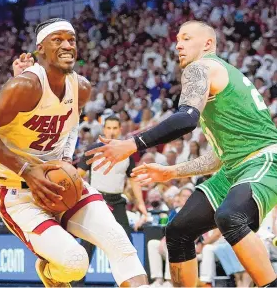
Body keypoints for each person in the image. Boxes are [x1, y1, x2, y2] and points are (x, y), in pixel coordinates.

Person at [86, 20, 277, 287]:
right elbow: (219, 157)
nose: (178, 44)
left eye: (186, 38)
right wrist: (172, 171)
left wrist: (132, 144)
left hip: (264, 159)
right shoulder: (222, 76)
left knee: (230, 216)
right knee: (178, 231)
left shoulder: (201, 67)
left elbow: (185, 119)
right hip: (235, 167)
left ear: (208, 44)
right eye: (177, 39)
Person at [0, 18, 149, 288]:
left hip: (60, 182)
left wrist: (64, 161)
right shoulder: (25, 86)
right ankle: (51, 273)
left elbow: (70, 128)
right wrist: (27, 169)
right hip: (21, 194)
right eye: (58, 40)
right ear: (40, 49)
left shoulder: (82, 88)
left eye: (71, 40)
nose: (67, 45)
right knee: (76, 263)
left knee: (120, 243)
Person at [73, 115, 148, 286]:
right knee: (87, 246)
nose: (112, 132)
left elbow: (133, 179)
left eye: (115, 128)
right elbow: (78, 177)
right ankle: (76, 285)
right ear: (104, 129)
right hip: (95, 202)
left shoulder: (127, 153)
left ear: (120, 129)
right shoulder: (93, 150)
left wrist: (141, 205)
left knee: (126, 244)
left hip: (117, 202)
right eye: (109, 128)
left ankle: (126, 283)